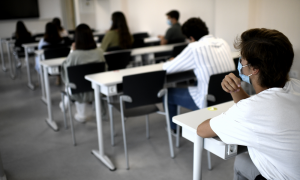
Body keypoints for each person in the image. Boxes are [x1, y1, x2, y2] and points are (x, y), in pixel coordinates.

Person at [197, 28, 300, 180]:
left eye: (242, 59)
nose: (240, 63)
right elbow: (258, 108)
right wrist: (235, 89)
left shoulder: (251, 110)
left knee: (241, 161)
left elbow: (202, 130)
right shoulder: (296, 86)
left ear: (254, 69)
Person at [163, 17, 235, 133]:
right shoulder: (223, 42)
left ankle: (173, 129)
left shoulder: (194, 47)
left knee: (169, 93)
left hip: (208, 101)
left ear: (191, 38)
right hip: (228, 97)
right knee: (199, 80)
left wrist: (172, 60)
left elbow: (168, 68)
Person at [60, 24, 106, 123]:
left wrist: (72, 50)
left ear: (76, 38)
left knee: (73, 82)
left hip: (79, 91)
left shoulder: (74, 55)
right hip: (97, 89)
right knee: (77, 82)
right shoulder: (99, 52)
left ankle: (78, 113)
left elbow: (65, 71)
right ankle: (65, 104)